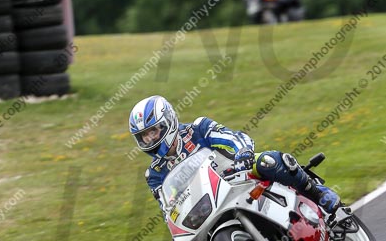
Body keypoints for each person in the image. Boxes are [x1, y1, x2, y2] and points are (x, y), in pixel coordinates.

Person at [129, 95, 343, 232]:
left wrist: (243, 153)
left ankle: (318, 194)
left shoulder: (198, 128)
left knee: (270, 161)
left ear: (169, 121)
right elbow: (167, 208)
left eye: (152, 132)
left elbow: (232, 138)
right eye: (143, 136)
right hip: (207, 206)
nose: (149, 140)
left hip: (238, 175)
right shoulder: (155, 174)